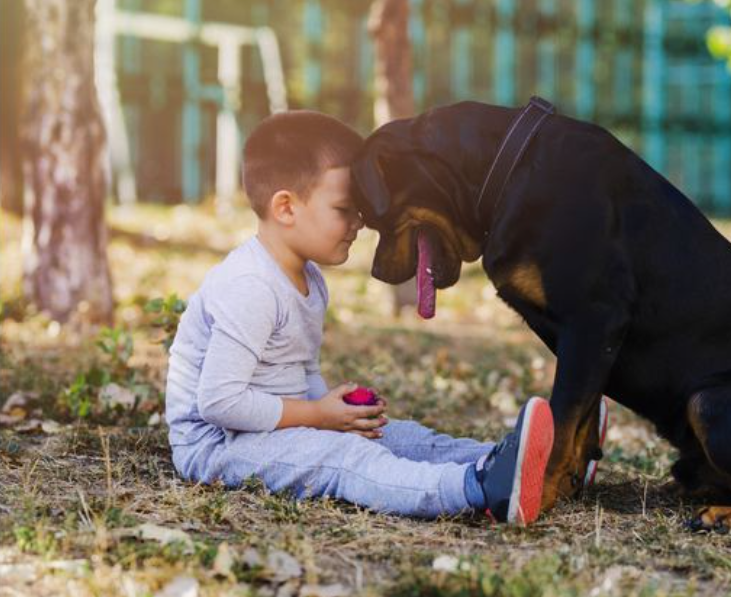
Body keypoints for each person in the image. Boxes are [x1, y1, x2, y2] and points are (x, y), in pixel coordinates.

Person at [164, 110, 560, 525]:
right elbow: (220, 403)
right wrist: (318, 417)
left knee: (398, 436)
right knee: (346, 456)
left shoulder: (310, 279)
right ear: (286, 207)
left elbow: (300, 370)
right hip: (218, 445)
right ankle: (479, 487)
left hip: (270, 428)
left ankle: (529, 465)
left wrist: (334, 412)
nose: (358, 224)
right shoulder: (251, 286)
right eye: (344, 209)